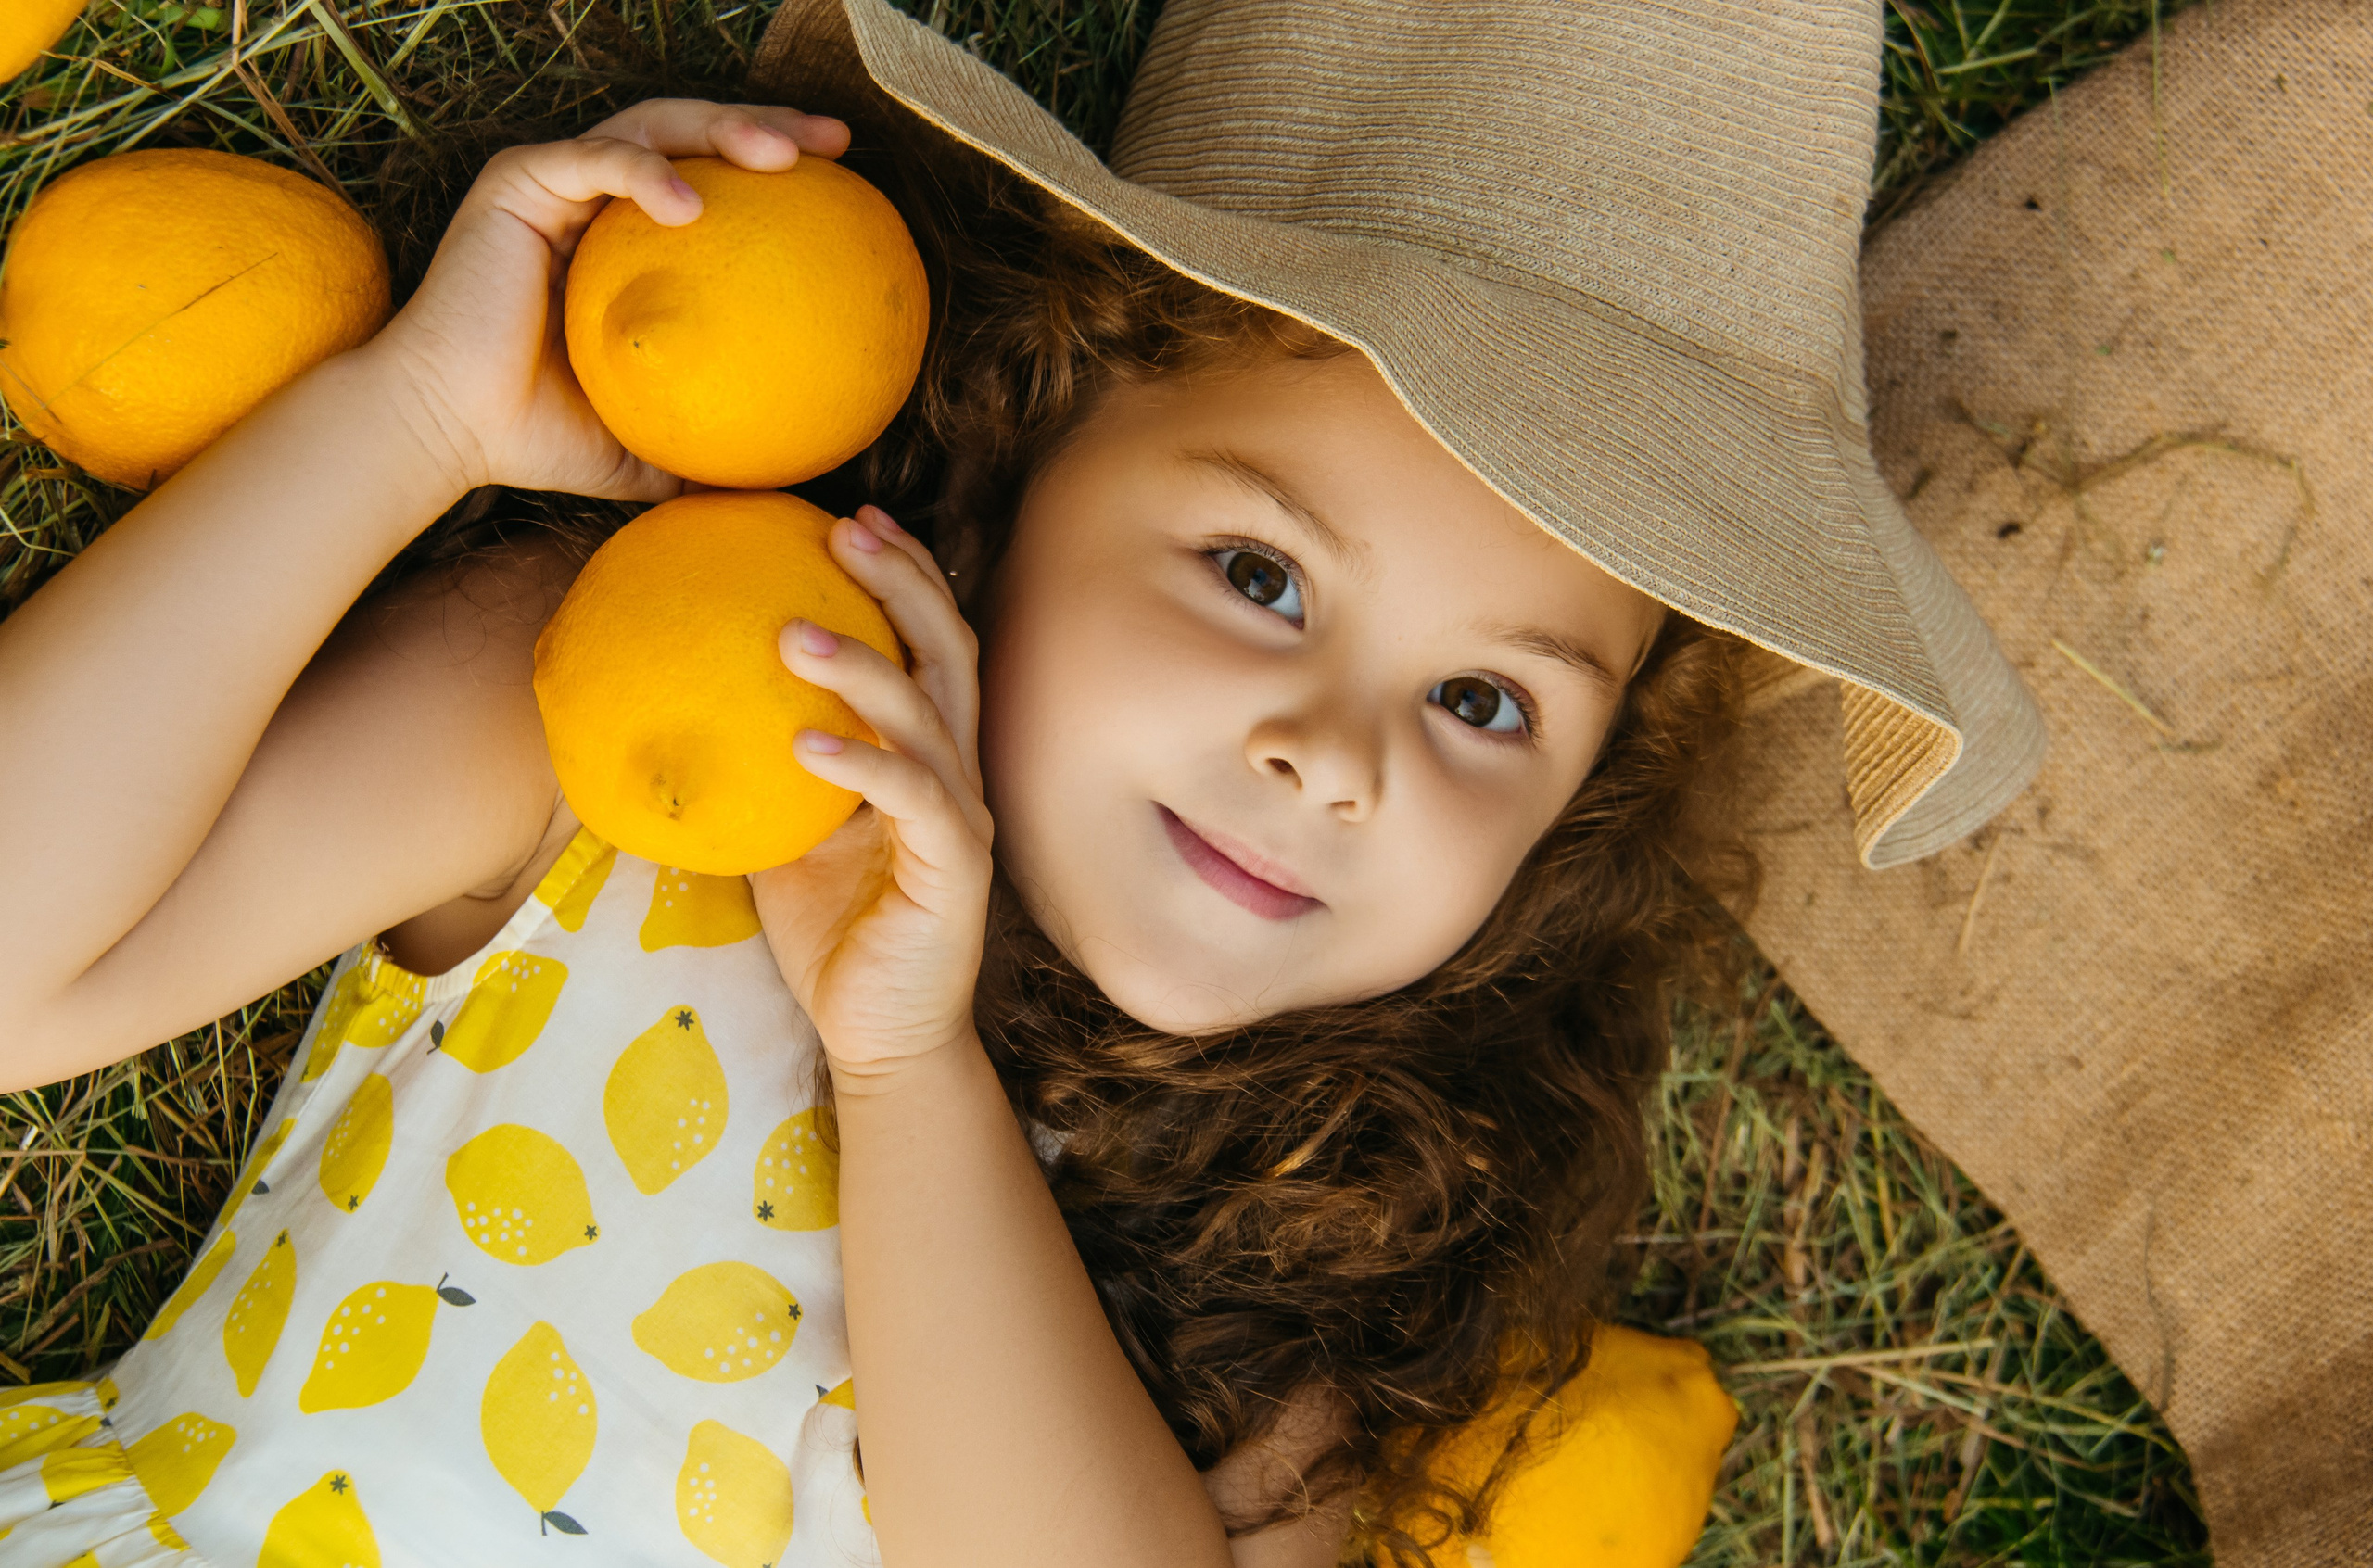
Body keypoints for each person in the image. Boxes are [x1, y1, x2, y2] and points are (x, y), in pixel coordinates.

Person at [0, 2, 2041, 1565]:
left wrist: (911, 1077)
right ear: (1027, 433)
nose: (1331, 757)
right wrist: (417, 423)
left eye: (1486, 703)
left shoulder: (1299, 1259)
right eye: (1259, 576)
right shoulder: (651, 716)